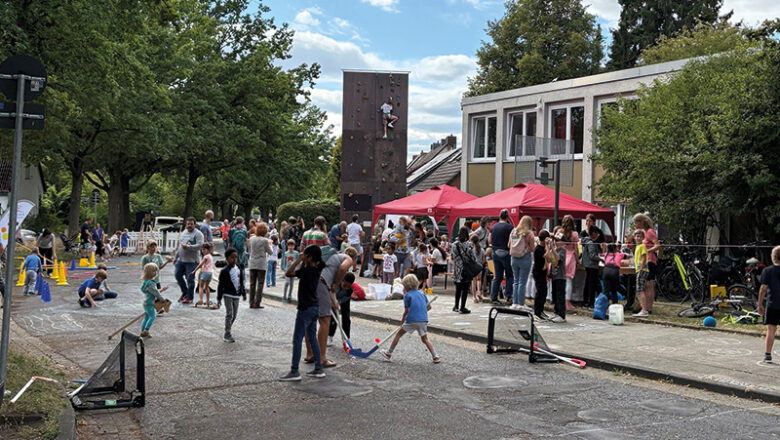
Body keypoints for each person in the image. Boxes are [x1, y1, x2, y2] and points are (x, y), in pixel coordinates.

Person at [279, 245, 326, 381]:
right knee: (312, 338)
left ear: (309, 257)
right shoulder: (317, 269)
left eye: (305, 255)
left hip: (305, 308)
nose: (303, 256)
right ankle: (318, 368)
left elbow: (288, 273)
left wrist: (298, 260)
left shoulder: (306, 271)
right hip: (314, 307)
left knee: (297, 339)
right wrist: (303, 261)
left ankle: (294, 371)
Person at [310, 247, 356, 367]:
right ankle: (322, 358)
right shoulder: (347, 259)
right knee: (325, 320)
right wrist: (336, 284)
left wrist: (333, 301)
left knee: (310, 319)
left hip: (312, 281)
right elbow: (343, 268)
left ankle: (310, 354)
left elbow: (330, 289)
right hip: (320, 283)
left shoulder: (332, 259)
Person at [380, 274, 439, 363]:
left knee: (398, 334)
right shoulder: (422, 293)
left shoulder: (407, 296)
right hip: (423, 320)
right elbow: (429, 307)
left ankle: (389, 353)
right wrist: (421, 312)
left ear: (407, 286)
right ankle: (435, 356)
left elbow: (406, 311)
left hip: (411, 320)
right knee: (425, 339)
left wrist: (402, 322)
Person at [217, 248, 246, 342]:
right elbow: (220, 285)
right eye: (232, 257)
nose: (234, 259)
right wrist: (219, 298)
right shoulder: (224, 271)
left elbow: (241, 281)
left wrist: (243, 292)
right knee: (229, 313)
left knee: (234, 315)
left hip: (236, 295)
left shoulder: (239, 268)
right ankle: (227, 333)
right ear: (227, 258)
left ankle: (228, 328)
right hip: (228, 294)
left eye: (236, 257)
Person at [633, 213, 660, 315]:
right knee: (647, 284)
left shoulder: (649, 232)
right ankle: (647, 307)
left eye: (636, 223)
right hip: (645, 260)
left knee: (649, 284)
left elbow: (657, 245)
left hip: (650, 260)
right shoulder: (644, 232)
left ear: (641, 222)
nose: (635, 226)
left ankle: (648, 307)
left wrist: (646, 250)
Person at [758, 245, 780, 363]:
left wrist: (760, 304)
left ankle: (767, 354)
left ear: (773, 257)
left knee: (771, 329)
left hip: (773, 303)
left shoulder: (768, 271)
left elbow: (763, 288)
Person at [174, 218, 204, 304]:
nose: (189, 226)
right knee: (177, 275)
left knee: (190, 279)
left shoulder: (198, 234)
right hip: (181, 260)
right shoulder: (184, 232)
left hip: (192, 261)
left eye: (191, 224)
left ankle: (189, 297)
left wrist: (188, 247)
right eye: (188, 224)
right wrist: (176, 257)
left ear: (194, 224)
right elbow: (180, 246)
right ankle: (185, 292)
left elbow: (199, 246)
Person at [509, 215, 535, 310]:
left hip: (513, 258)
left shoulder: (513, 231)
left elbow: (509, 245)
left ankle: (514, 303)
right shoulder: (529, 234)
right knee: (522, 282)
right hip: (524, 258)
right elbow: (532, 248)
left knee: (515, 281)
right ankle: (521, 303)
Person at [489, 209, 514, 305]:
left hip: (495, 252)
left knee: (497, 276)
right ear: (507, 217)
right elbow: (512, 241)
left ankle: (494, 297)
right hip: (506, 252)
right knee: (509, 275)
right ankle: (508, 296)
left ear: (499, 216)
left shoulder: (494, 227)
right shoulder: (510, 227)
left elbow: (490, 240)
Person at [451, 226, 476, 314]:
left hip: (457, 269)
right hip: (466, 269)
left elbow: (452, 257)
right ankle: (462, 307)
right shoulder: (469, 245)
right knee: (465, 288)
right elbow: (473, 257)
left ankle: (456, 306)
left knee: (458, 288)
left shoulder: (454, 244)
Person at [247, 222, 272, 309]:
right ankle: (257, 303)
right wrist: (270, 245)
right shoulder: (265, 241)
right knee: (260, 283)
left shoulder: (252, 239)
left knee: (252, 284)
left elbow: (250, 250)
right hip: (261, 264)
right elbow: (270, 252)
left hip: (252, 262)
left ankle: (251, 302)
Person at [140, 263, 168, 338]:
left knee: (146, 317)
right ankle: (146, 330)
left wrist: (162, 289)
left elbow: (152, 291)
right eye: (153, 271)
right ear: (149, 272)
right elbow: (156, 293)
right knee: (152, 316)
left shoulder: (146, 282)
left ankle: (143, 331)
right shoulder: (151, 283)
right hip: (149, 303)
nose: (155, 273)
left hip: (146, 302)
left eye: (156, 271)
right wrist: (162, 300)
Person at [328, 271, 356, 341]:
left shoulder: (349, 291)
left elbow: (345, 299)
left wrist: (339, 302)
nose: (346, 288)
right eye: (344, 285)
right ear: (342, 281)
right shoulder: (335, 284)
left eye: (348, 286)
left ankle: (346, 339)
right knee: (333, 318)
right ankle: (330, 336)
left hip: (344, 301)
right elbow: (329, 292)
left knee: (346, 317)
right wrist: (333, 302)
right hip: (332, 299)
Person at [580, 225, 603, 308]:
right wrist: (601, 259)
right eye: (597, 233)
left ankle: (585, 301)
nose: (598, 235)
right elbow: (592, 255)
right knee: (591, 285)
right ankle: (590, 302)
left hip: (588, 265)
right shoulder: (591, 243)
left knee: (588, 283)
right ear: (593, 234)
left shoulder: (587, 241)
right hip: (591, 265)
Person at [560, 215, 580, 311]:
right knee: (568, 281)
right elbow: (576, 249)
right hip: (570, 257)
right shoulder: (575, 234)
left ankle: (561, 300)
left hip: (561, 256)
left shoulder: (560, 232)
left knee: (561, 280)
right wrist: (578, 260)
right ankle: (567, 302)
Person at [548, 228, 567, 322]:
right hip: (554, 275)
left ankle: (561, 314)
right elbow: (549, 259)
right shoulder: (555, 249)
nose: (555, 242)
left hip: (561, 276)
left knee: (560, 295)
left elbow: (558, 258)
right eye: (555, 241)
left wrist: (552, 248)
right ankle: (556, 312)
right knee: (554, 295)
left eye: (557, 241)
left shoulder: (562, 250)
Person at [532, 230, 551, 320]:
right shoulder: (538, 249)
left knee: (544, 292)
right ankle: (537, 312)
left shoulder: (542, 248)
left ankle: (541, 310)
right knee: (540, 292)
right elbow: (547, 256)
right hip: (538, 272)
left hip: (543, 272)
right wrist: (547, 245)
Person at [632, 230, 650, 317]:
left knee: (640, 290)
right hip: (639, 269)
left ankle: (644, 310)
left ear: (643, 238)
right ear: (634, 237)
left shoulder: (642, 246)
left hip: (641, 270)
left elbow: (643, 257)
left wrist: (641, 268)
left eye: (640, 236)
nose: (638, 238)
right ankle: (644, 309)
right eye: (637, 236)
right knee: (641, 289)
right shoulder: (637, 246)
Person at [191, 242, 215, 307]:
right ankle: (207, 301)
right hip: (210, 273)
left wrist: (194, 271)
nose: (203, 251)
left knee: (201, 287)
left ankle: (201, 300)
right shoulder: (210, 256)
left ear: (208, 250)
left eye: (204, 249)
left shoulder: (206, 256)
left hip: (205, 272)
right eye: (202, 249)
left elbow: (200, 264)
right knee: (206, 287)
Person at [470, 235, 485, 303]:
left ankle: (474, 297)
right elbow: (484, 260)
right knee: (479, 280)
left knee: (473, 282)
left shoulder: (471, 249)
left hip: (473, 266)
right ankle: (479, 291)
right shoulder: (482, 249)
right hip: (480, 266)